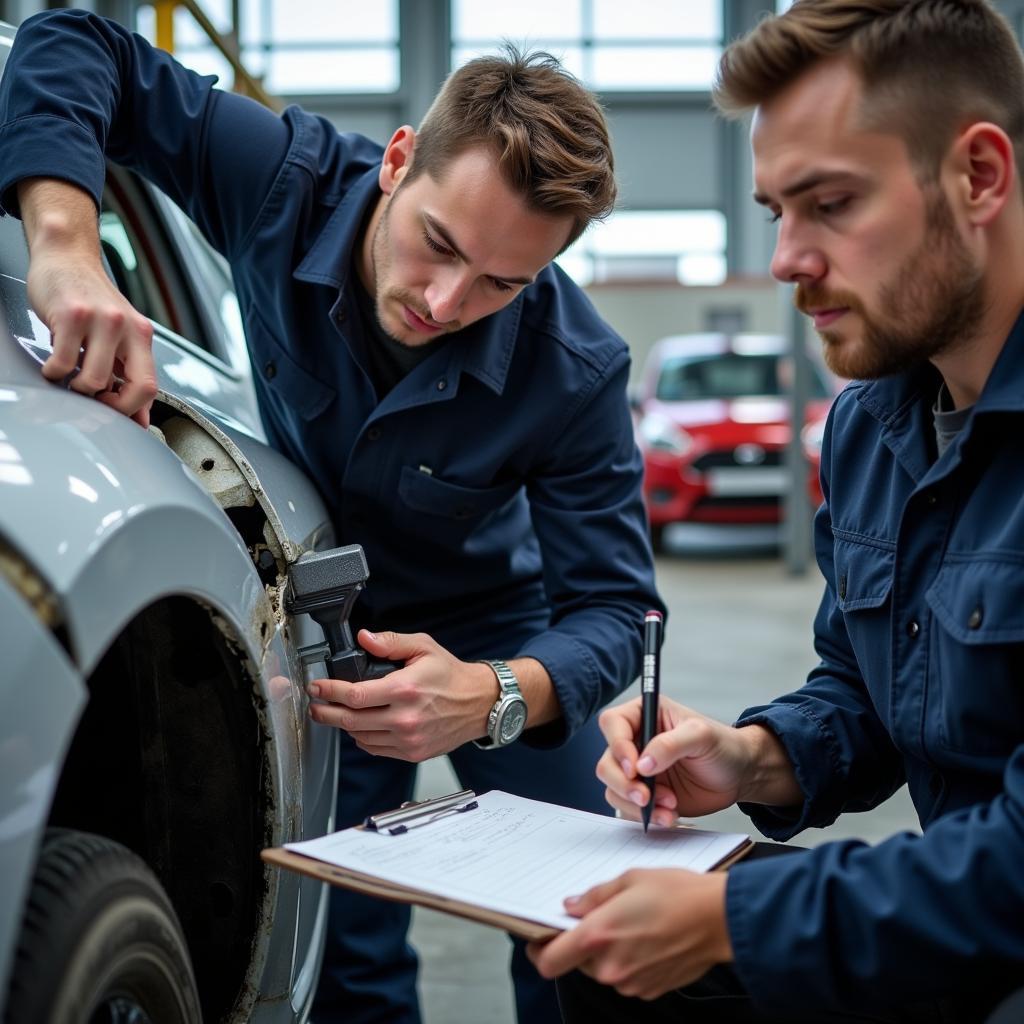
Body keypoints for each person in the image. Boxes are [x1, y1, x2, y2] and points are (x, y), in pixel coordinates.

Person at [0, 10, 663, 1023]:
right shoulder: (283, 182)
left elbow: (616, 609)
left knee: (590, 921)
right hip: (331, 625)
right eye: (436, 243)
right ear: (398, 161)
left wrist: (491, 694)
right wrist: (65, 246)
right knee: (341, 946)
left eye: (501, 283)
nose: (444, 301)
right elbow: (74, 41)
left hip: (498, 628)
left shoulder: (576, 369)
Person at [526, 1, 1024, 1021]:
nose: (788, 258)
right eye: (774, 212)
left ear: (978, 176)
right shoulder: (870, 428)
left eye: (830, 203)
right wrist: (752, 757)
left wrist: (730, 912)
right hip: (959, 919)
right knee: (585, 954)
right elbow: (867, 687)